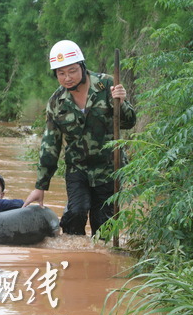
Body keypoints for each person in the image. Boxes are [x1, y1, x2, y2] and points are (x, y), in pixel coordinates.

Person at [23, 40, 136, 236]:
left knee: (104, 225)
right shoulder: (56, 103)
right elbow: (50, 145)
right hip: (78, 169)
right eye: (61, 73)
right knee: (75, 213)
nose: (67, 78)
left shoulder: (106, 84)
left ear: (82, 67)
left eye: (72, 70)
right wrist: (41, 185)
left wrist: (122, 103)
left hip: (110, 166)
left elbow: (129, 122)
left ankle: (101, 262)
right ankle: (74, 256)